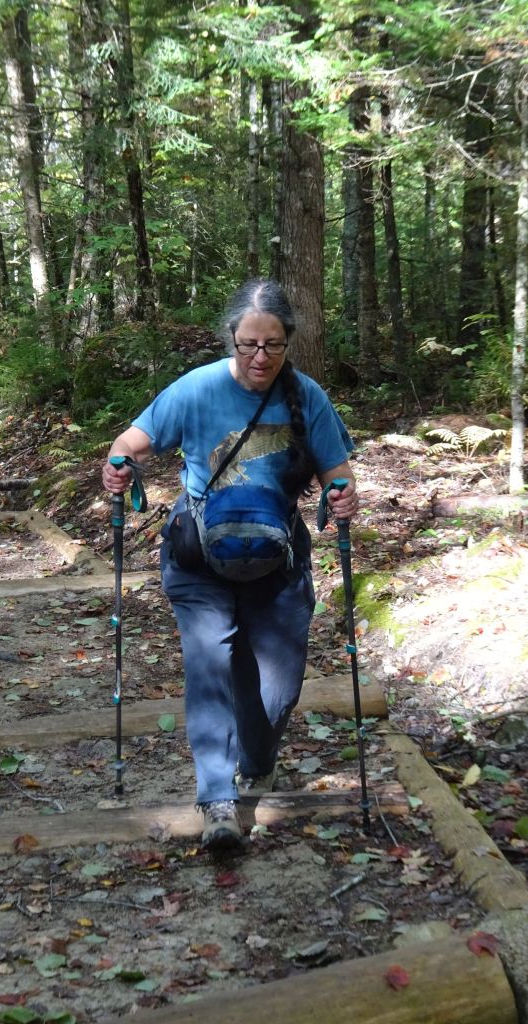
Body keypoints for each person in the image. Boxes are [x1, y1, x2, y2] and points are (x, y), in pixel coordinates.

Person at [102, 279, 358, 851]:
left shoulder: (307, 396)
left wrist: (341, 494)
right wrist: (119, 463)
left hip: (279, 561)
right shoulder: (197, 389)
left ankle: (256, 764)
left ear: (288, 343)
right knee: (210, 666)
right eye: (248, 344)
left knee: (277, 691)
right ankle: (216, 799)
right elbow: (134, 438)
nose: (259, 357)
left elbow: (337, 470)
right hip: (199, 560)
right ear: (232, 340)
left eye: (272, 345)